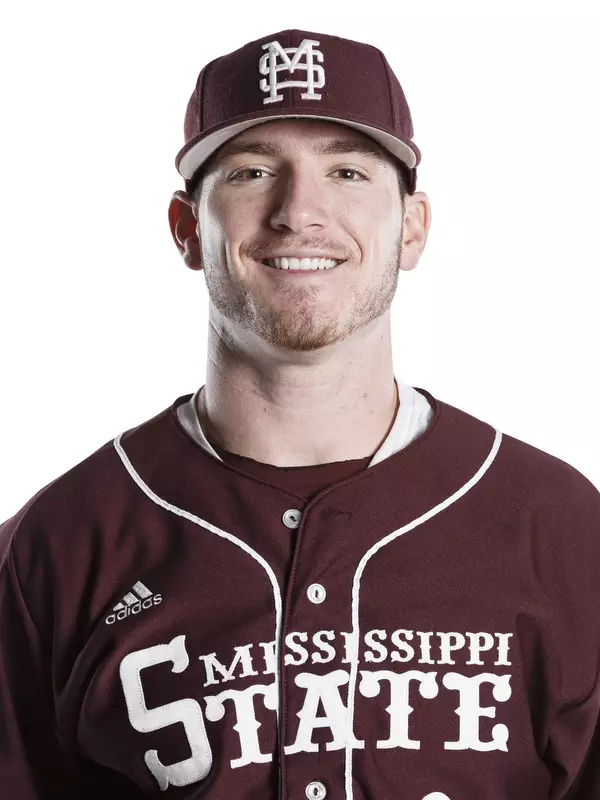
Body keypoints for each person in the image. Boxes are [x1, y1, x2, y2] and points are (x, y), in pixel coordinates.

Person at [1, 28, 599, 800]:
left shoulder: (559, 529)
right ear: (188, 230)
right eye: (253, 172)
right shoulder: (58, 547)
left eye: (346, 171)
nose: (299, 212)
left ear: (412, 227)